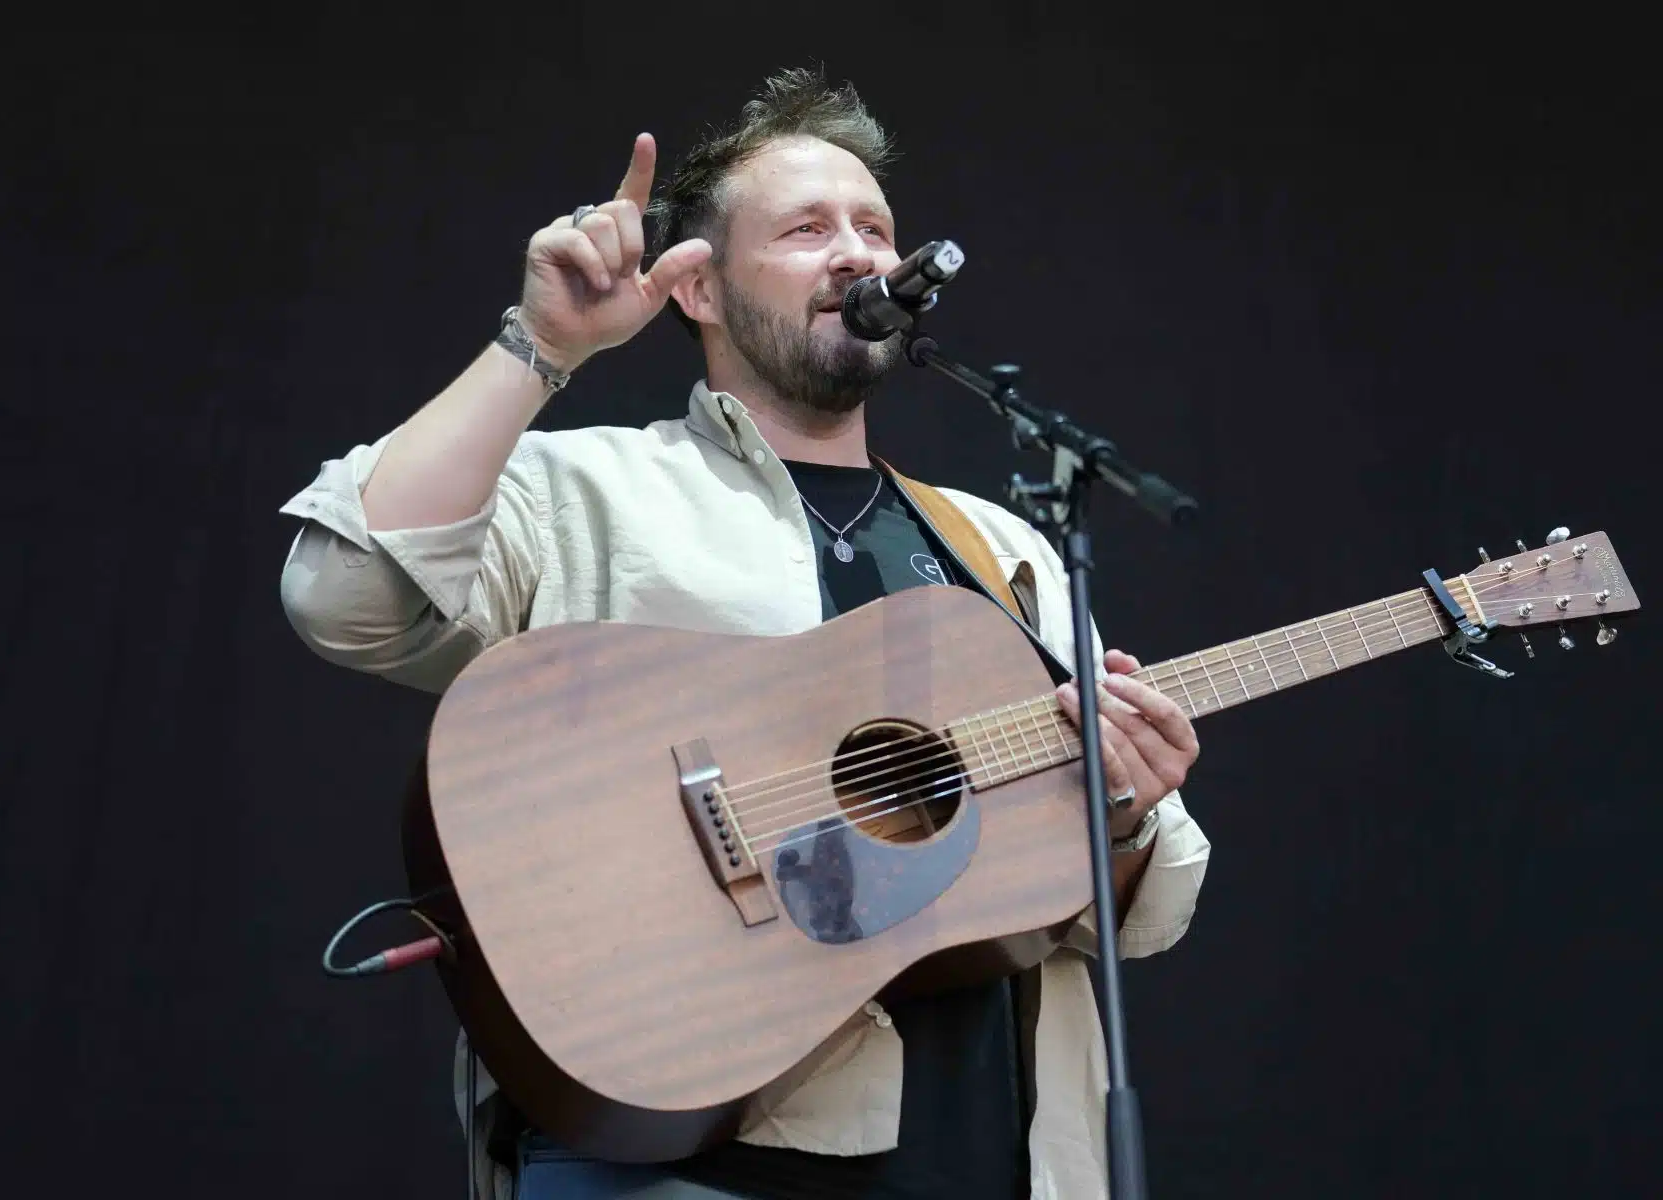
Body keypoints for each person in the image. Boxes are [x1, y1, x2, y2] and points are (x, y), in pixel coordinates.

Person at [279, 68, 1211, 1200]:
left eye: (875, 228)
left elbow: (1137, 905)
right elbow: (343, 597)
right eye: (809, 229)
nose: (860, 254)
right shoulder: (590, 491)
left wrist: (1122, 813)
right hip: (683, 1135)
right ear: (700, 290)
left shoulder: (1002, 546)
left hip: (996, 1154)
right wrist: (540, 346)